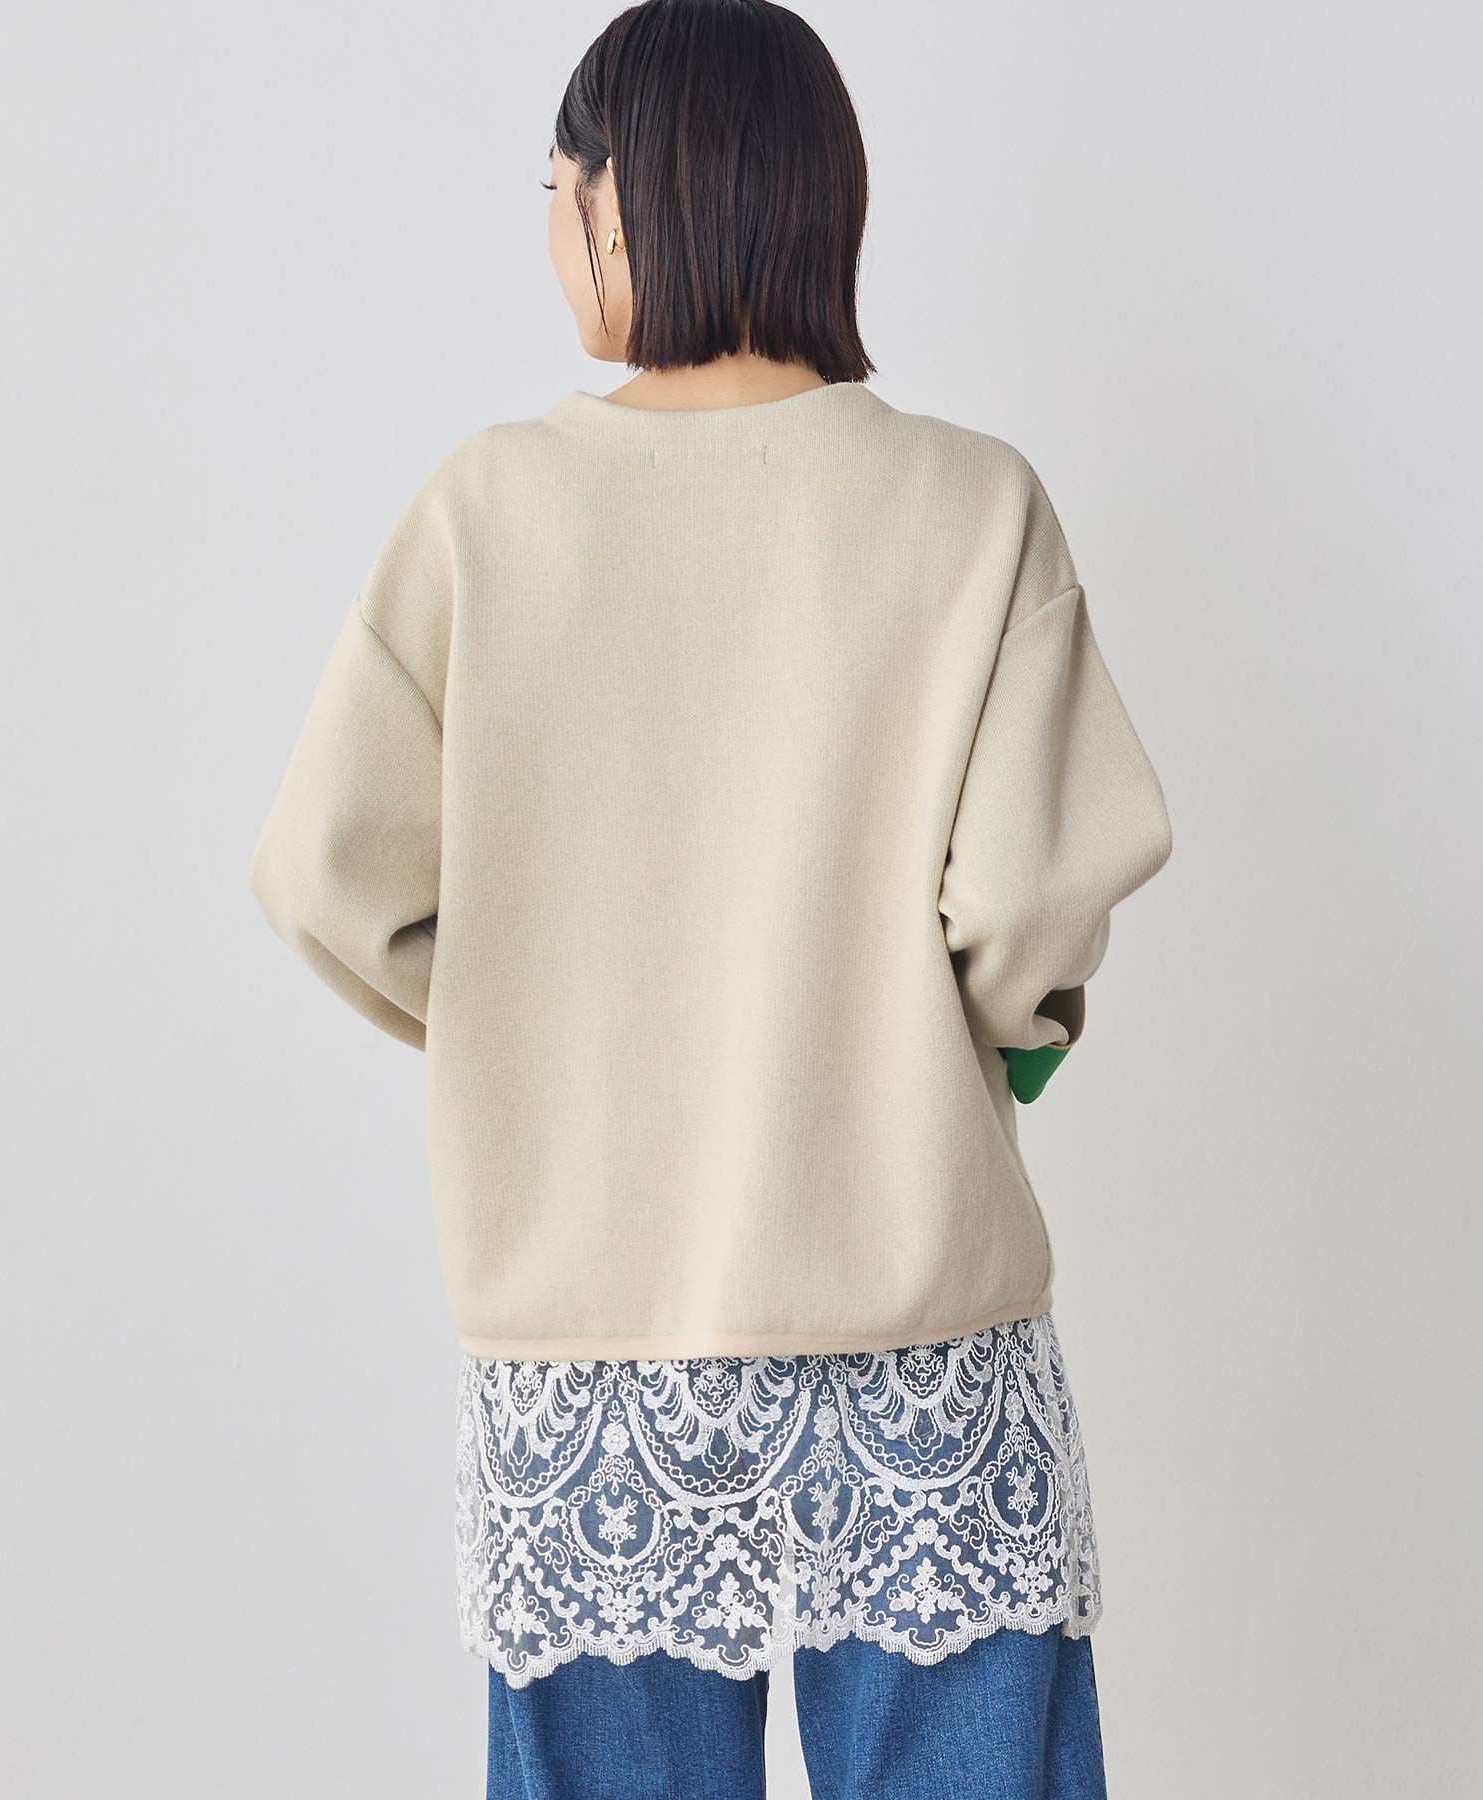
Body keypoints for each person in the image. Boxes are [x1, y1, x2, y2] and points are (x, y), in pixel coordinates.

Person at [250, 3, 1173, 1794]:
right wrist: (960, 1041)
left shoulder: (485, 514)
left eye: (554, 187)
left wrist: (528, 1010)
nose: (548, 230)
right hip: (921, 1330)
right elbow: (1032, 911)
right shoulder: (973, 506)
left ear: (628, 197)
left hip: (593, 1351)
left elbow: (325, 873)